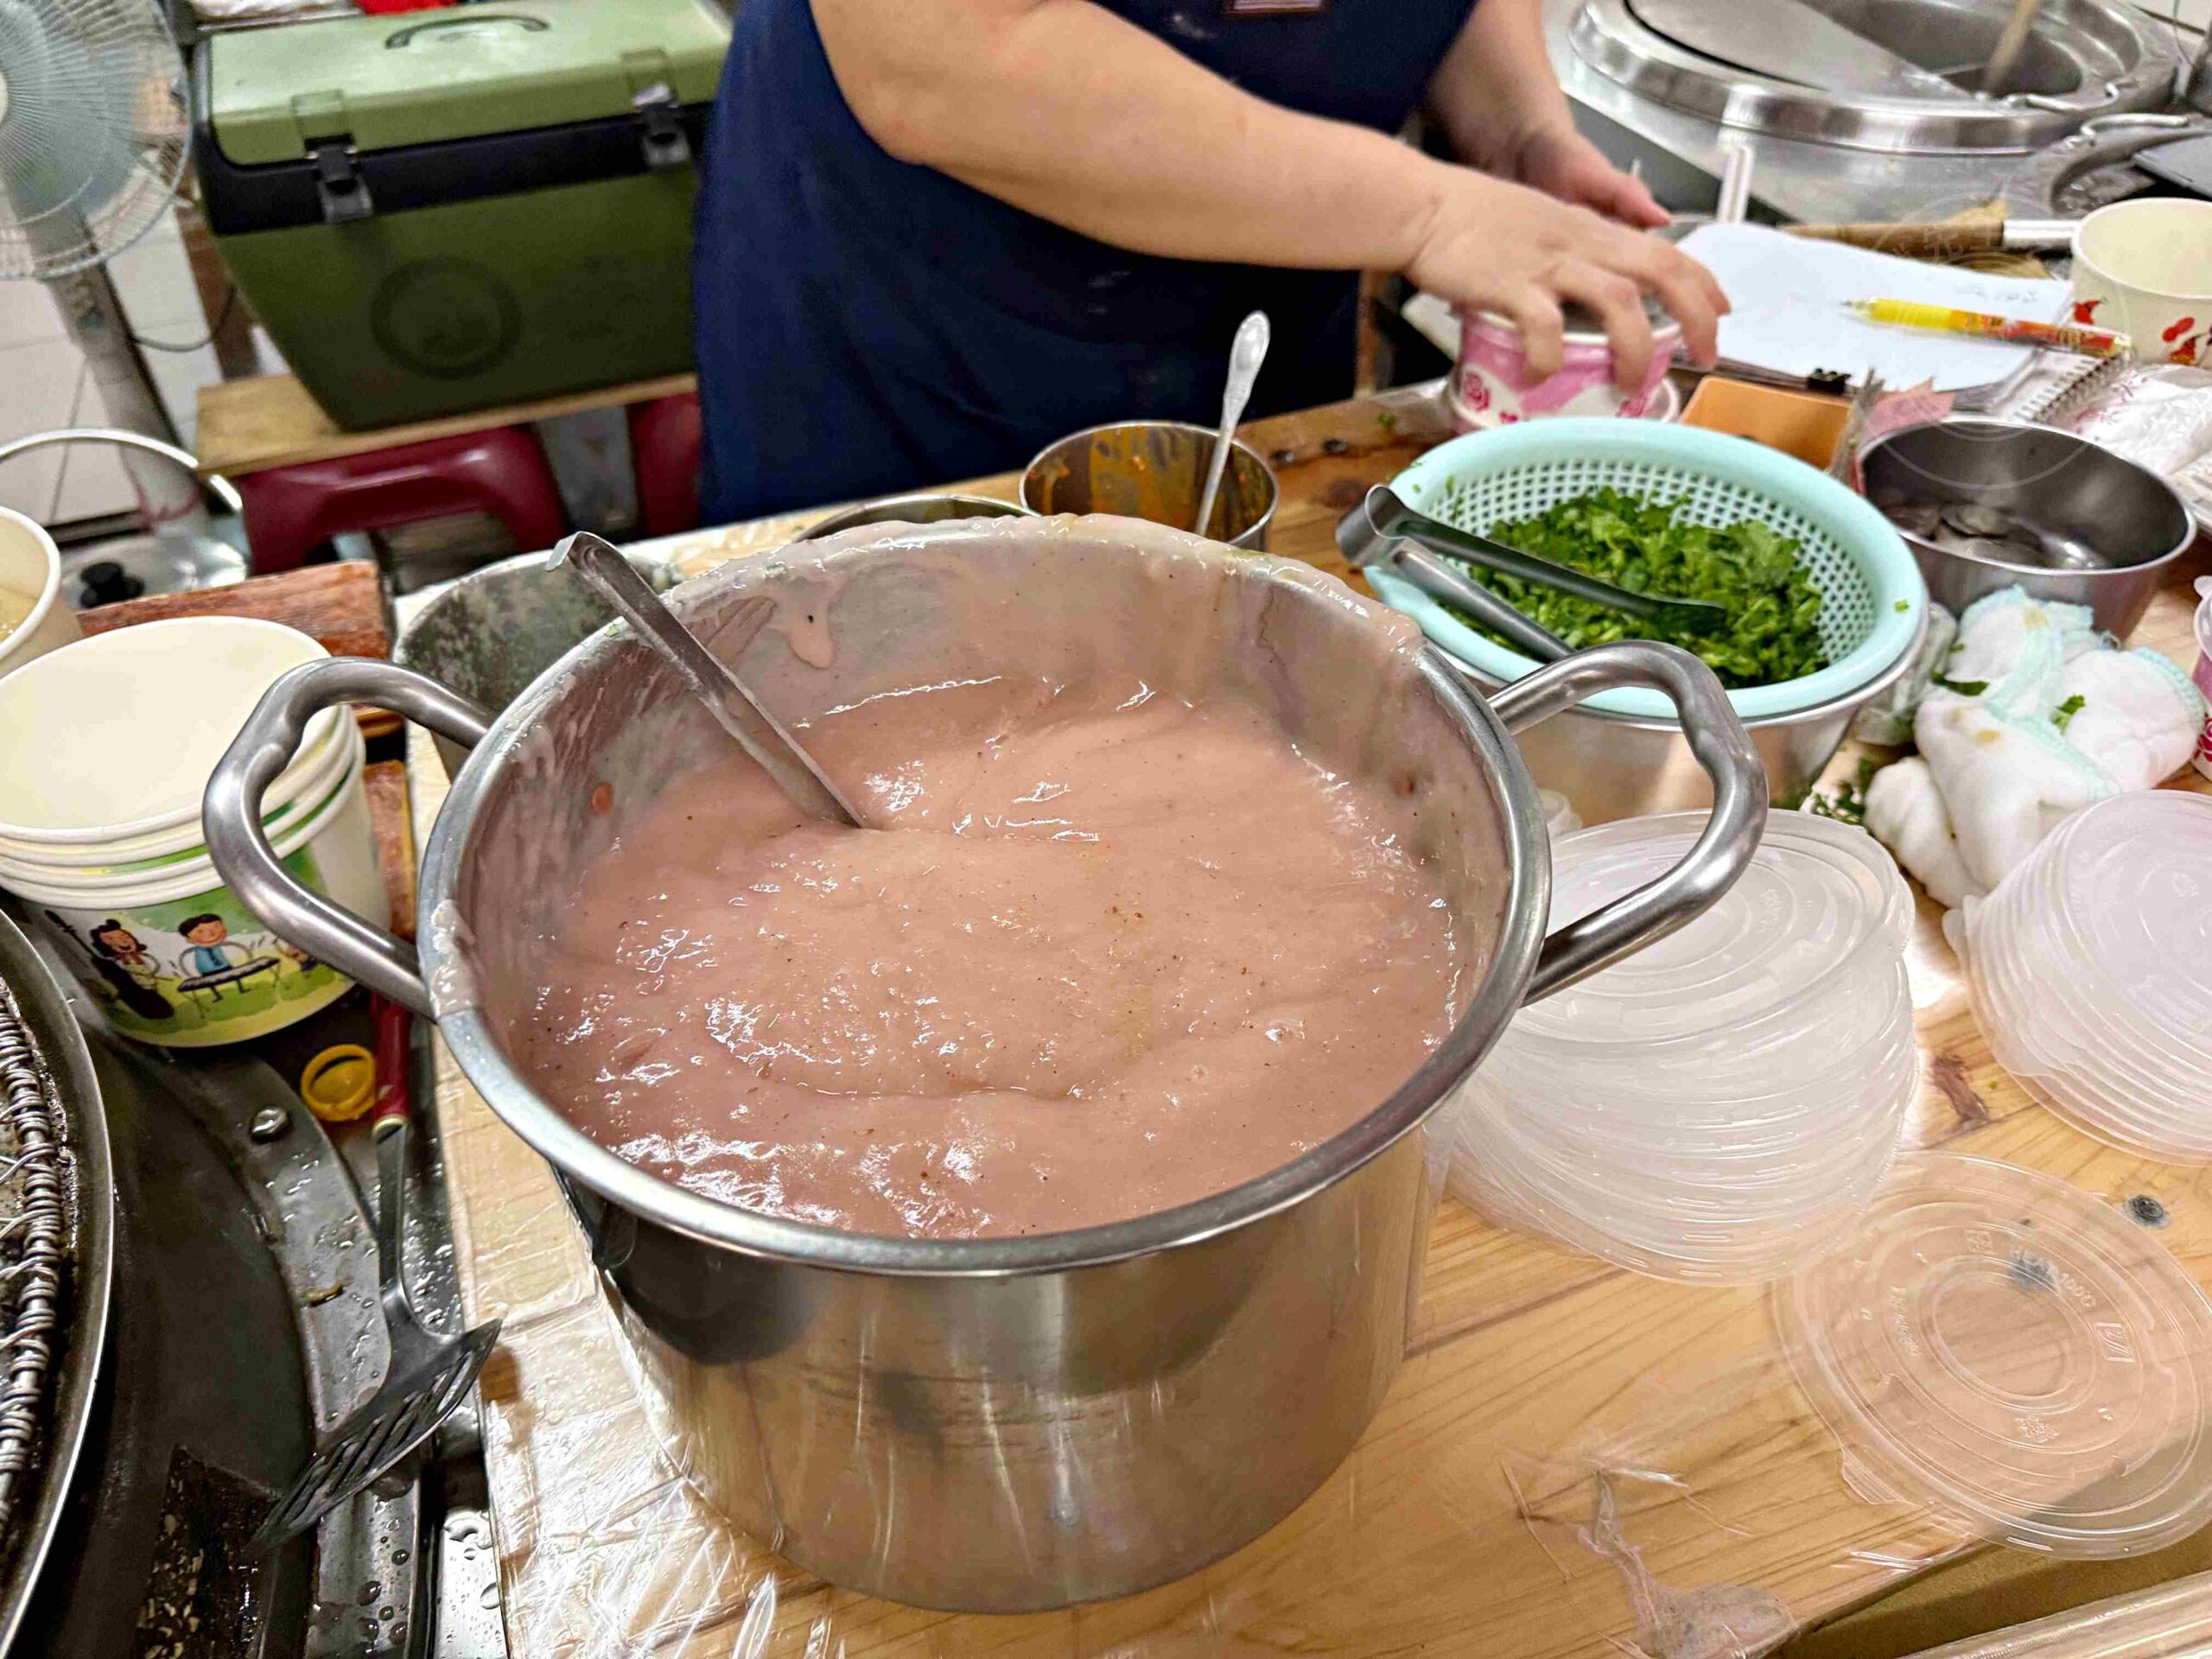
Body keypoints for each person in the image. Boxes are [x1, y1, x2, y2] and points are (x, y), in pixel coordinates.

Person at [692, 0, 1727, 523]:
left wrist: (1516, 137)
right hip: (932, 305)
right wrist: (1429, 211)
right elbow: (943, 54)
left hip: (1280, 247)